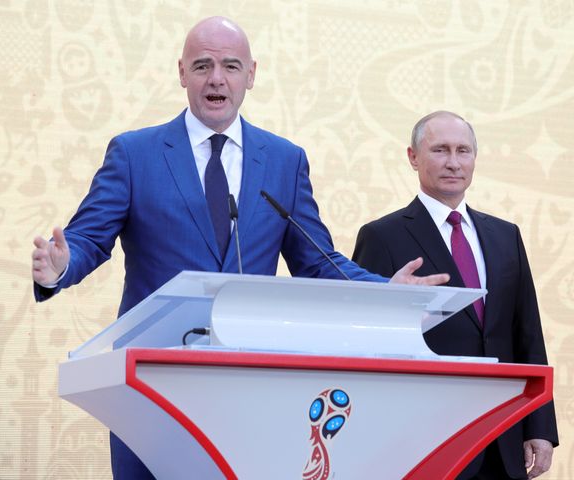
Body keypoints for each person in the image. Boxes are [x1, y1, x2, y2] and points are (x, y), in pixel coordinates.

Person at [31, 17, 449, 479]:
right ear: (182, 73)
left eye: (231, 66)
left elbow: (316, 258)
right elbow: (89, 238)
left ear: (251, 75)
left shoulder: (284, 160)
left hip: (246, 383)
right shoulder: (135, 153)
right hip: (151, 385)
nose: (216, 78)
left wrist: (383, 290)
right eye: (202, 65)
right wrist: (60, 268)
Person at [352, 111, 558, 479]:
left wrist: (540, 427)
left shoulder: (505, 235)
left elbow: (528, 334)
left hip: (502, 435)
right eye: (440, 150)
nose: (453, 162)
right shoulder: (382, 236)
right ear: (413, 157)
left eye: (463, 151)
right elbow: (364, 341)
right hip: (423, 439)